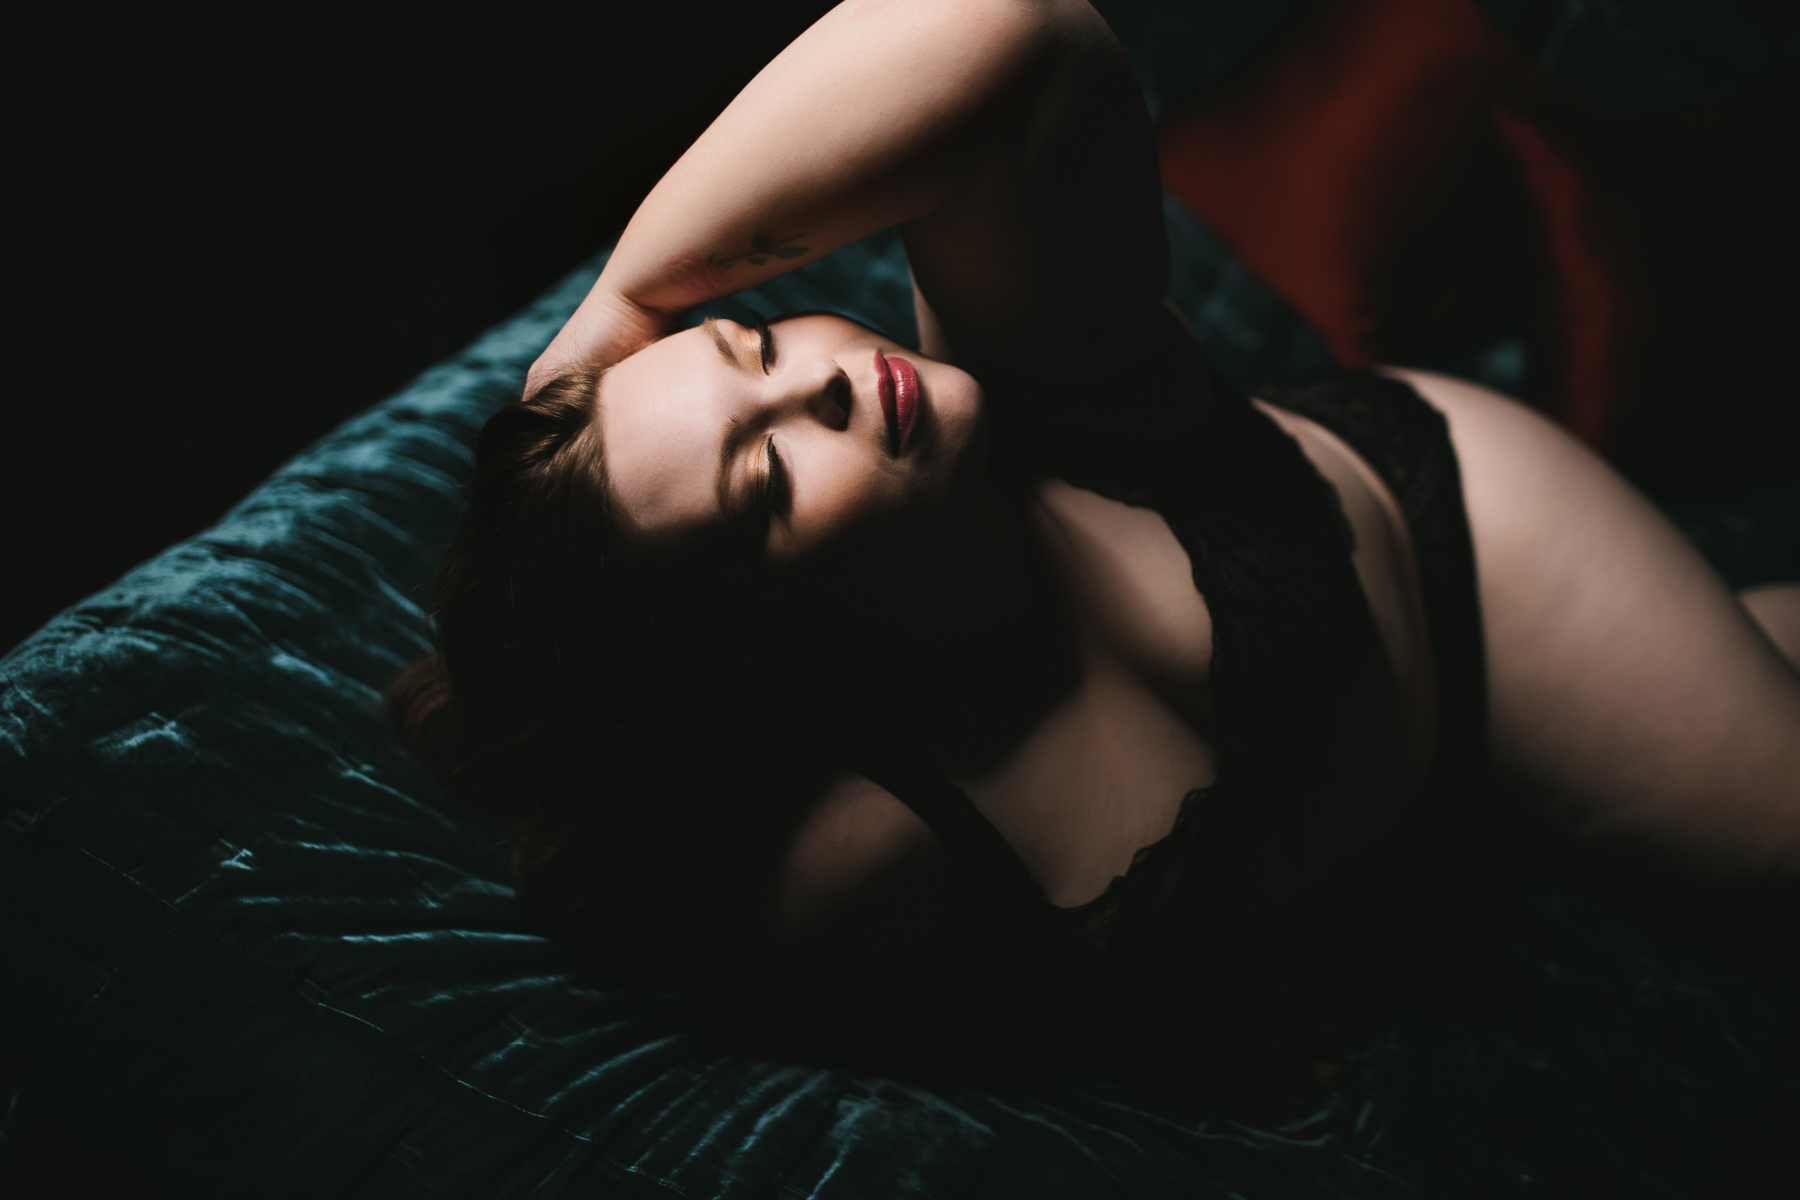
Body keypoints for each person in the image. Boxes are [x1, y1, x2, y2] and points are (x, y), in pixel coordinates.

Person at [390, 0, 1800, 1115]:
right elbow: (883, 1009)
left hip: (1474, 570)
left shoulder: (1056, 389)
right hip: (1418, 810)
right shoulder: (858, 850)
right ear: (763, 642)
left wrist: (622, 304)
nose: (820, 385)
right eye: (762, 478)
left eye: (755, 344)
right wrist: (1129, 1017)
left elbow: (1007, 28)